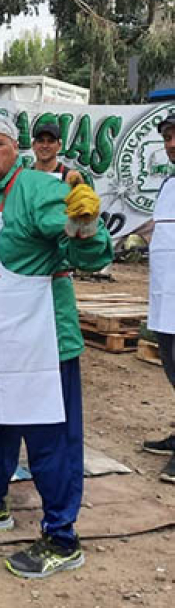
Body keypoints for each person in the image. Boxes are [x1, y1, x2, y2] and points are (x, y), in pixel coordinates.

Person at [0, 112, 113, 579]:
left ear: (16, 149)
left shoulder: (37, 190)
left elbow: (90, 251)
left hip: (40, 343)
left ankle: (61, 536)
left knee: (50, 440)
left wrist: (84, 224)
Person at [142, 111, 175, 484]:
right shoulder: (168, 185)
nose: (171, 144)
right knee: (171, 365)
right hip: (166, 293)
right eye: (167, 137)